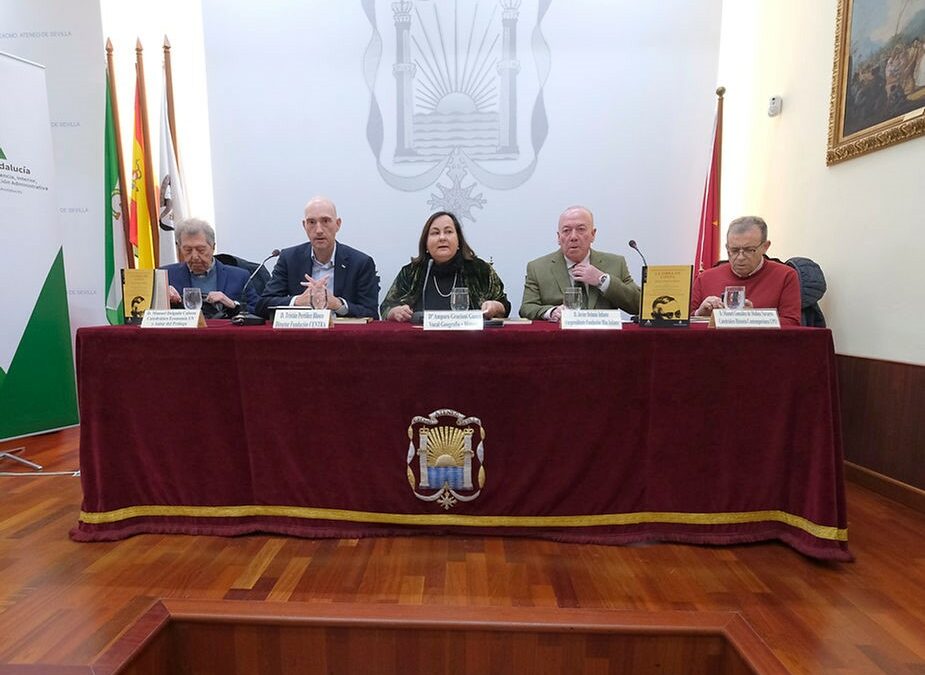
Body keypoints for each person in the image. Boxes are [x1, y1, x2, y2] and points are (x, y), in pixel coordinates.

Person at [256, 196, 379, 319]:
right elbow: (262, 305)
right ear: (304, 225)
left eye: (325, 221)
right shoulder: (289, 259)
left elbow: (371, 313)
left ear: (338, 224)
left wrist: (338, 304)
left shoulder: (361, 263)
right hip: (300, 330)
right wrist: (298, 301)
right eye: (312, 222)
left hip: (341, 330)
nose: (319, 230)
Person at [381, 211, 510, 321]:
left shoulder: (480, 269)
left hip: (472, 339)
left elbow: (504, 305)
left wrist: (495, 307)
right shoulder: (411, 272)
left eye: (448, 232)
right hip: (420, 339)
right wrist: (394, 312)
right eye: (435, 233)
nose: (442, 238)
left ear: (458, 240)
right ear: (426, 244)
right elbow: (386, 307)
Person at [519, 205, 641, 321]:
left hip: (603, 335)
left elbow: (639, 305)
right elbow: (526, 308)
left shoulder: (616, 263)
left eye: (581, 229)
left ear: (593, 234)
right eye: (566, 231)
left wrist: (602, 280)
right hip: (559, 334)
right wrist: (551, 312)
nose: (573, 237)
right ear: (559, 237)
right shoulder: (537, 268)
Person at [690, 216, 801, 326]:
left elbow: (792, 323)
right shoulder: (705, 278)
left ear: (765, 247)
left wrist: (752, 318)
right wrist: (699, 314)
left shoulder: (786, 276)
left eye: (749, 250)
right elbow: (683, 321)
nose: (740, 257)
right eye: (734, 250)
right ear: (727, 247)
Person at [161, 218, 259, 318]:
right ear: (179, 248)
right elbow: (152, 314)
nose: (194, 256)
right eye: (188, 250)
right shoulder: (165, 276)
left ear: (213, 247)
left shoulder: (239, 277)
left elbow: (259, 313)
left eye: (201, 250)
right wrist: (160, 298)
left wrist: (233, 305)